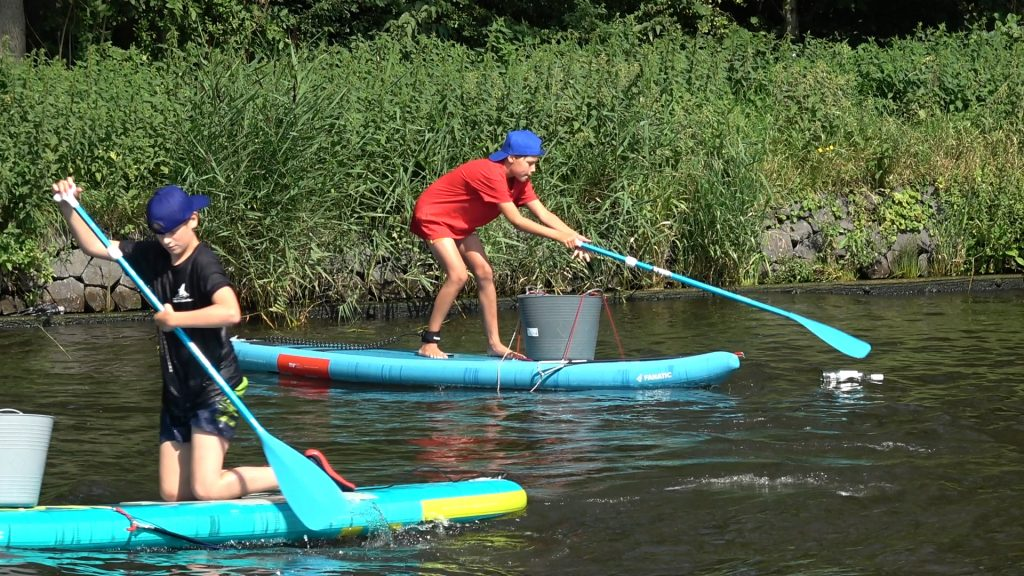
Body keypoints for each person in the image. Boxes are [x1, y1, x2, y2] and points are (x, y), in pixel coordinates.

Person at [50, 177, 284, 502]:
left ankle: (292, 472)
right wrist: (67, 207)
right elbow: (95, 244)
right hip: (177, 392)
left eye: (173, 231)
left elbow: (230, 312)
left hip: (215, 388)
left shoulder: (203, 264)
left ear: (193, 220)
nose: (167, 240)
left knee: (206, 490)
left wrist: (176, 320)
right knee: (173, 495)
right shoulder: (153, 255)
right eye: (160, 233)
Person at [410, 129, 590, 359]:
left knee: (485, 273)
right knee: (458, 276)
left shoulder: (519, 181)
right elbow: (517, 221)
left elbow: (544, 214)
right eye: (531, 163)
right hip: (433, 215)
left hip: (460, 222)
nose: (534, 169)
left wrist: (575, 237)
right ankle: (429, 343)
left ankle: (494, 345)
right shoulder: (490, 174)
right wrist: (561, 237)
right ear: (512, 158)